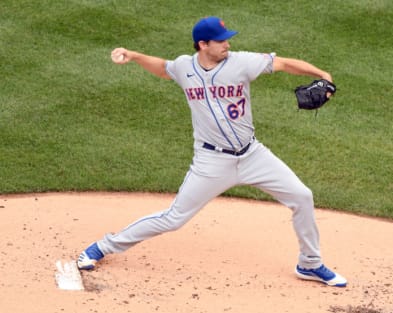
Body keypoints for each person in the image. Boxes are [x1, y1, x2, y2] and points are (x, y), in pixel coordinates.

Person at [77, 16, 347, 287]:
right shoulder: (185, 67)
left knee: (302, 196)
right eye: (221, 40)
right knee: (173, 218)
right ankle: (102, 246)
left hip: (252, 155)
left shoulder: (242, 62)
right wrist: (135, 56)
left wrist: (323, 75)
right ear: (203, 44)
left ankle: (309, 263)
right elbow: (164, 68)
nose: (227, 44)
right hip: (211, 161)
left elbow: (285, 63)